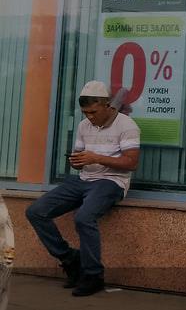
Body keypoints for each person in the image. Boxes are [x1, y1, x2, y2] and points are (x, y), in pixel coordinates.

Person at [26, 81, 140, 297]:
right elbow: (80, 158)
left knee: (84, 218)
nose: (89, 117)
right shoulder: (83, 126)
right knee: (35, 211)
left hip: (111, 181)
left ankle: (93, 275)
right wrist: (76, 161)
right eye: (85, 112)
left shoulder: (127, 125)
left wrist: (96, 157)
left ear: (107, 105)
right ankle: (70, 259)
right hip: (83, 178)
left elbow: (131, 163)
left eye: (93, 112)